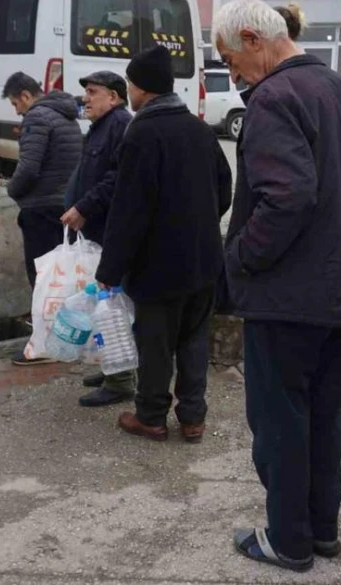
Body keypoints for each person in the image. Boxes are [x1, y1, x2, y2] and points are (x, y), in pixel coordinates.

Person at [212, 0, 341, 572]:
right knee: (323, 413)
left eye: (230, 60)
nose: (233, 75)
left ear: (252, 38)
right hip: (340, 292)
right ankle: (321, 531)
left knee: (280, 419)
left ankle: (288, 541)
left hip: (291, 294)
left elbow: (288, 197)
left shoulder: (274, 97)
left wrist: (239, 258)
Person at [95, 45, 232, 442]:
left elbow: (129, 209)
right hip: (204, 261)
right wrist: (199, 224)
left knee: (156, 345)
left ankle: (151, 417)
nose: (129, 92)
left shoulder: (142, 133)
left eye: (131, 85)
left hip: (159, 268)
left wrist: (111, 268)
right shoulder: (199, 129)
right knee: (193, 341)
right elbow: (224, 188)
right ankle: (193, 419)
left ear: (142, 89)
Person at [60, 71, 136, 407]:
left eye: (93, 92)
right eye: (85, 92)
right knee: (103, 304)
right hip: (97, 231)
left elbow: (117, 178)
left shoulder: (119, 125)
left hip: (111, 232)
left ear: (115, 97)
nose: (85, 98)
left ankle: (121, 381)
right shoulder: (101, 127)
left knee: (112, 308)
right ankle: (112, 370)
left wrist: (84, 206)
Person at [1, 72, 83, 367]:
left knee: (42, 281)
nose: (17, 111)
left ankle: (44, 345)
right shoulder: (68, 116)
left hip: (40, 208)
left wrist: (11, 189)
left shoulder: (37, 118)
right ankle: (63, 341)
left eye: (15, 103)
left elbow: (28, 169)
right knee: (61, 280)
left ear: (25, 95)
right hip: (64, 207)